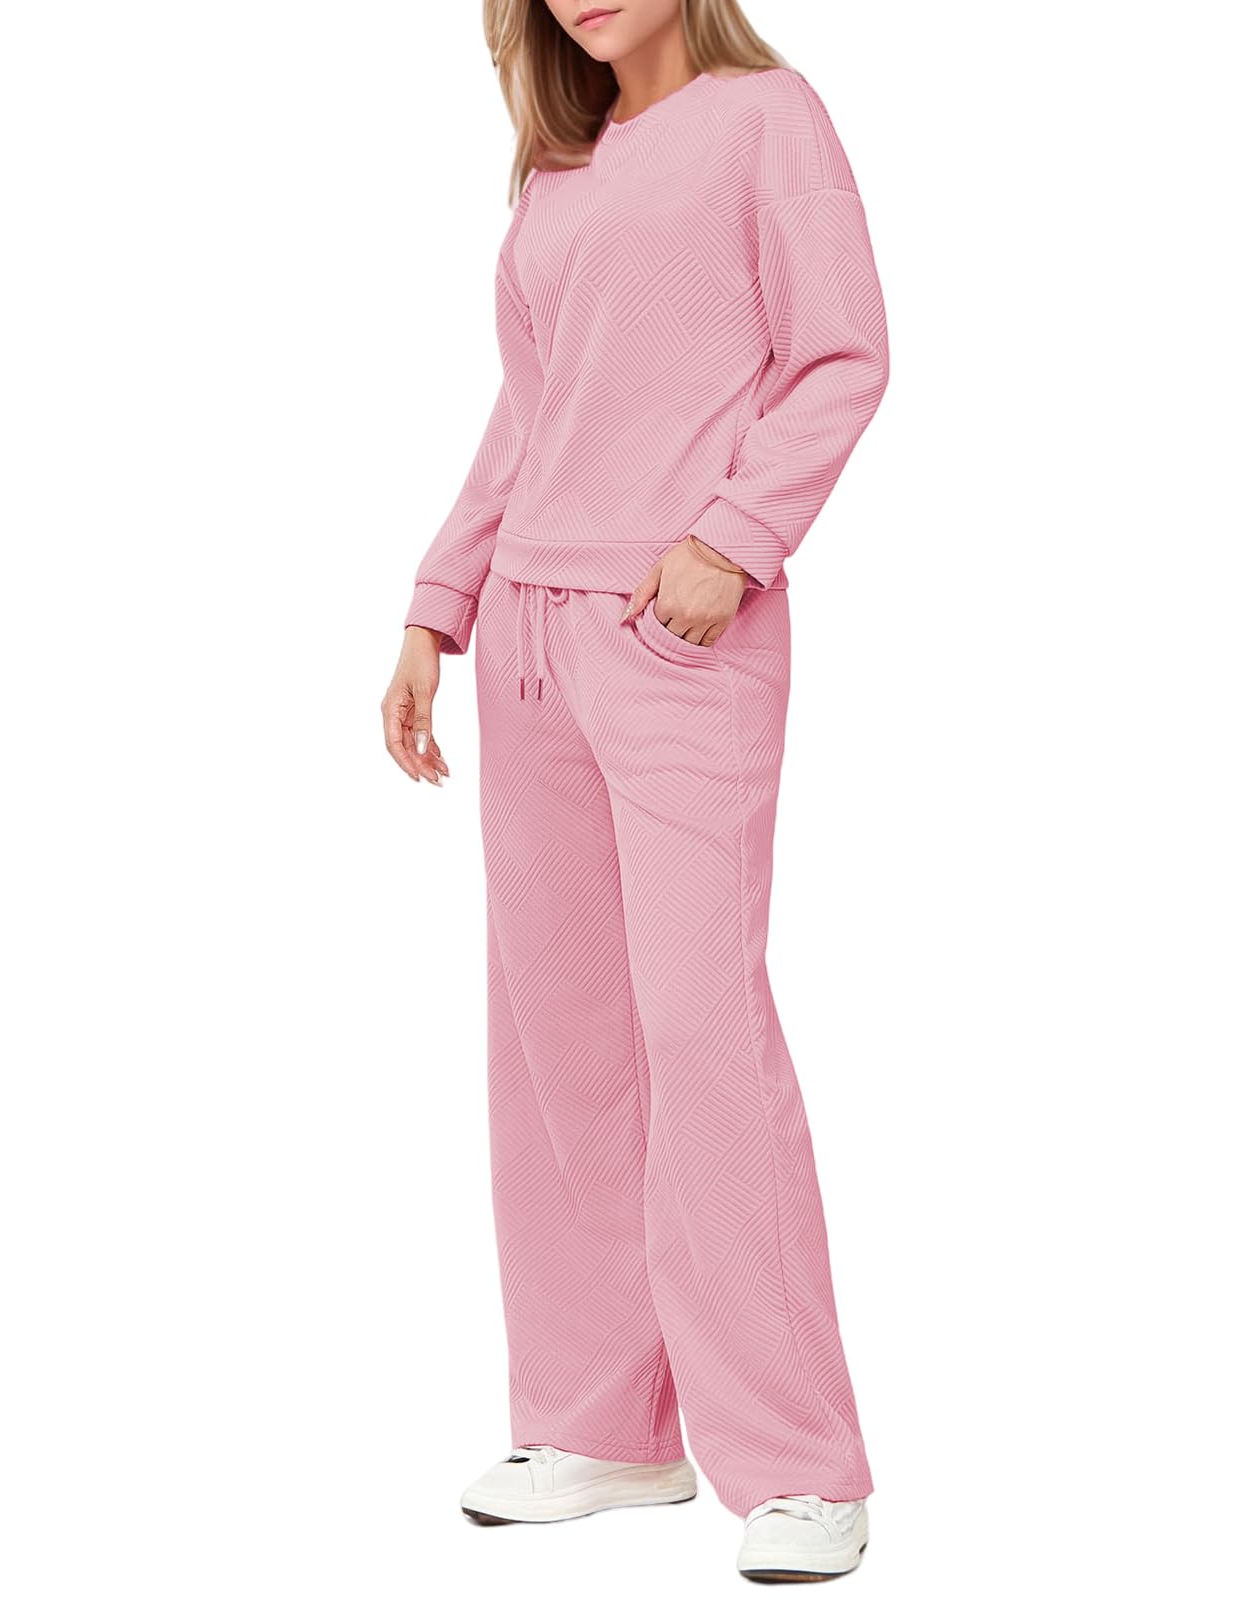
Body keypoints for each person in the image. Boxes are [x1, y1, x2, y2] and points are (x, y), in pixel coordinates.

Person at [381, 0, 890, 1581]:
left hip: (678, 635)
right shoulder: (563, 166)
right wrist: (437, 607)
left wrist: (731, 542)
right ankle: (603, 1426)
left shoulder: (769, 120)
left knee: (698, 1029)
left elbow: (842, 356)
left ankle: (800, 1465)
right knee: (561, 1044)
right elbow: (531, 412)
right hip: (528, 639)